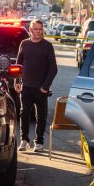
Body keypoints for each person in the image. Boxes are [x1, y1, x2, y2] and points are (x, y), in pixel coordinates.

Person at [15, 19, 57, 153]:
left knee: (41, 116)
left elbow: (53, 68)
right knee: (24, 113)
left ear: (42, 30)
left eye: (40, 29)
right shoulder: (24, 44)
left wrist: (45, 86)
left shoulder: (47, 46)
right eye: (35, 29)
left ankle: (39, 142)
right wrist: (16, 82)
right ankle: (24, 140)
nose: (38, 31)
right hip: (26, 86)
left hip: (41, 88)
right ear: (30, 30)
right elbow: (18, 65)